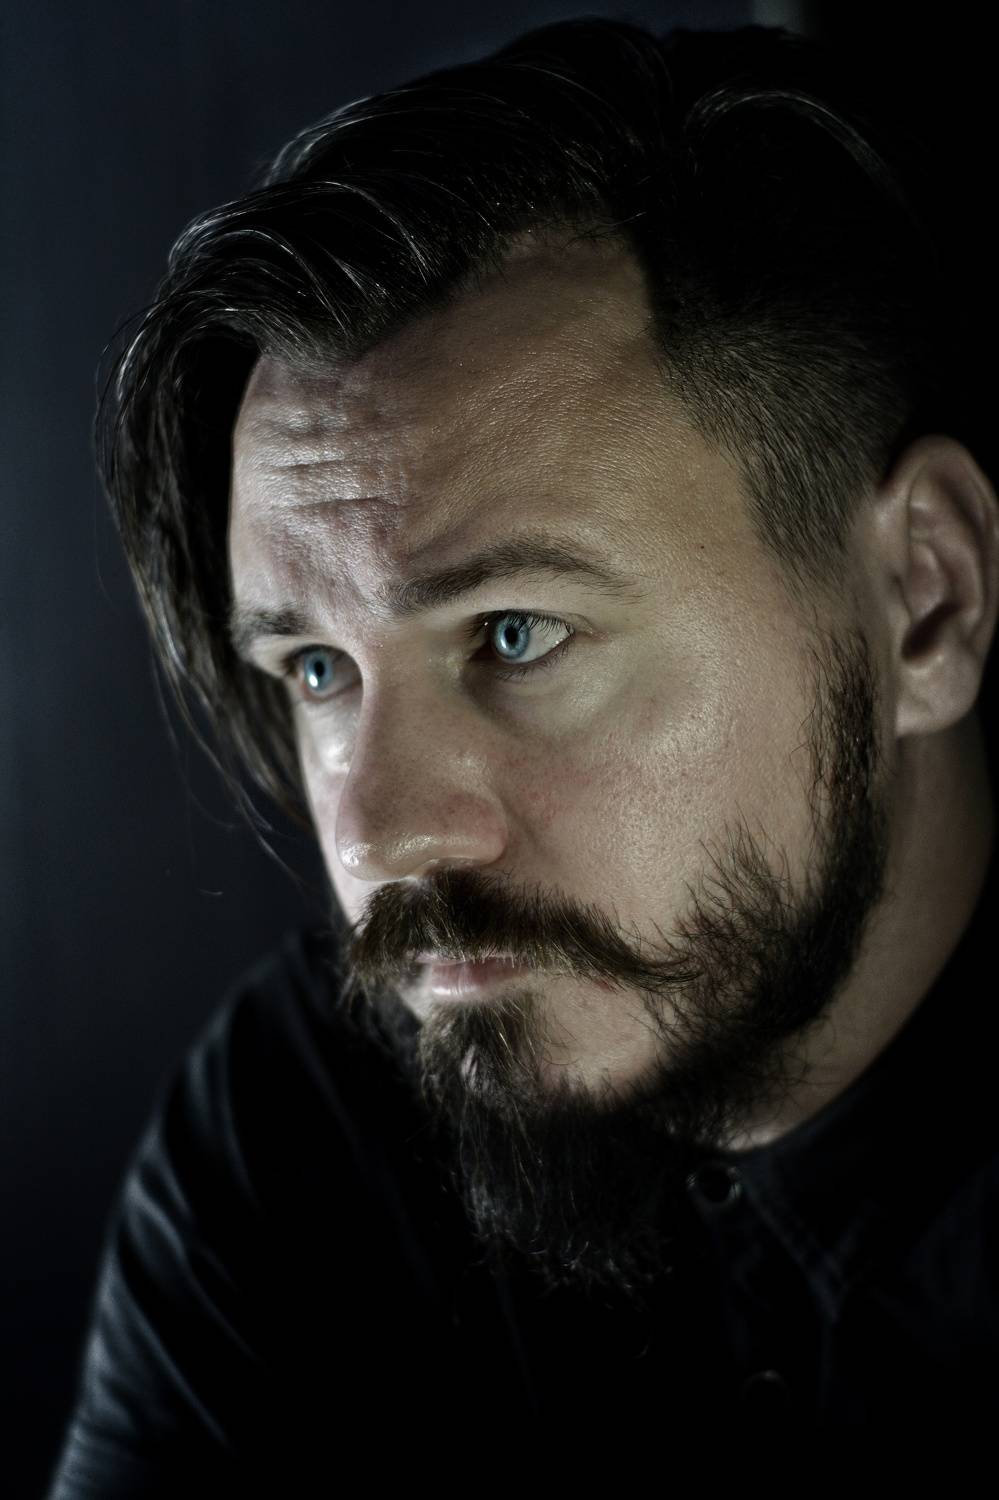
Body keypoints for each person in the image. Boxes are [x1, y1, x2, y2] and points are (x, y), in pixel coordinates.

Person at [48, 15, 999, 1490]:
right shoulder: (298, 1128)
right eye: (316, 669)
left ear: (921, 602)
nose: (374, 839)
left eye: (515, 634)